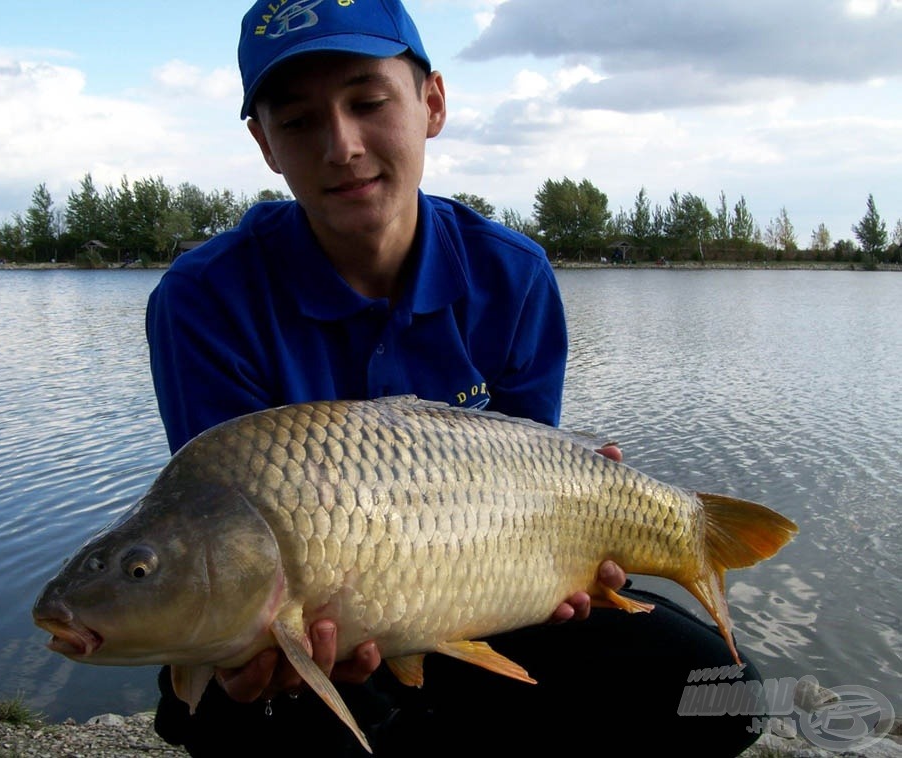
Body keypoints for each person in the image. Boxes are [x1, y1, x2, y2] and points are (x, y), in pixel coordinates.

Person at [145, 1, 768, 755]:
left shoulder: (511, 274)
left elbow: (535, 476)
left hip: (485, 589)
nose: (341, 145)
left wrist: (573, 558)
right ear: (264, 144)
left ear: (431, 103)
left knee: (724, 695)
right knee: (286, 704)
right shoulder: (201, 301)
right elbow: (216, 529)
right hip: (311, 621)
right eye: (299, 121)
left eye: (368, 102)